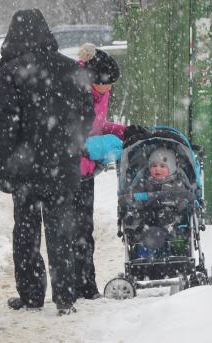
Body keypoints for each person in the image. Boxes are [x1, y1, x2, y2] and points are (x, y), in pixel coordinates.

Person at [0, 9, 95, 315]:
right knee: (61, 230)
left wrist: (3, 167)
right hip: (62, 165)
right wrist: (72, 145)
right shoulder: (69, 67)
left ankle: (31, 294)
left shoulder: (11, 72)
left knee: (26, 232)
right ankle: (65, 297)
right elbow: (87, 114)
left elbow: (4, 126)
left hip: (25, 168)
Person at [73, 43, 126, 300]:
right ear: (95, 80)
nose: (110, 89)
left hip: (87, 170)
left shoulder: (100, 91)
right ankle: (71, 287)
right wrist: (85, 149)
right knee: (68, 231)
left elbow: (100, 126)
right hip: (70, 171)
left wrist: (124, 131)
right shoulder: (74, 89)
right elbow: (71, 135)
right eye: (108, 84)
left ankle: (86, 285)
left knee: (84, 229)